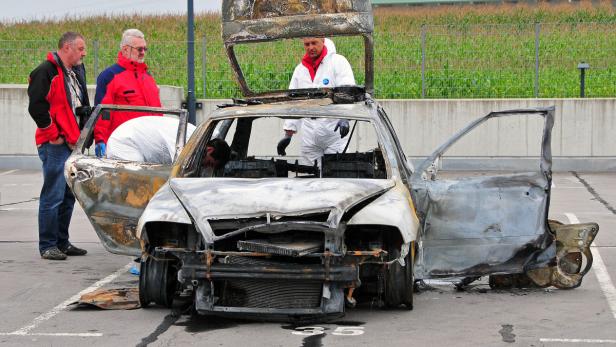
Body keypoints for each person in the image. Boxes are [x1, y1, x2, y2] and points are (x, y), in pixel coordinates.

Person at [27, 32, 90, 260]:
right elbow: (36, 107)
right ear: (66, 47)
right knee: (52, 195)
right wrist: (53, 134)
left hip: (72, 142)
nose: (84, 53)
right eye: (81, 49)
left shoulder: (76, 72)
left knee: (67, 195)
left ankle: (62, 242)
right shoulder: (46, 71)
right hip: (55, 144)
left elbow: (80, 103)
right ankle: (48, 245)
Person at [277, 37, 355, 166]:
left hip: (334, 132)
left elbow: (347, 89)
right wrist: (288, 133)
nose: (310, 47)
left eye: (314, 43)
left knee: (336, 175)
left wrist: (345, 117)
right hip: (309, 133)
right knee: (310, 177)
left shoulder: (337, 62)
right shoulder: (300, 70)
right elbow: (293, 101)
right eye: (307, 44)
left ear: (323, 42)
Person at [93, 28, 162, 157]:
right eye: (139, 49)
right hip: (123, 146)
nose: (143, 53)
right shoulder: (110, 76)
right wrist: (100, 140)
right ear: (125, 49)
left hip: (150, 145)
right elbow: (103, 112)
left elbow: (158, 112)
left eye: (144, 49)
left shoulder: (148, 77)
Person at [106, 116, 196, 164]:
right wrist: (100, 138)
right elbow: (179, 168)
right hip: (125, 142)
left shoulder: (194, 134)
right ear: (209, 149)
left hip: (139, 135)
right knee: (133, 180)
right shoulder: (187, 138)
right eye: (209, 163)